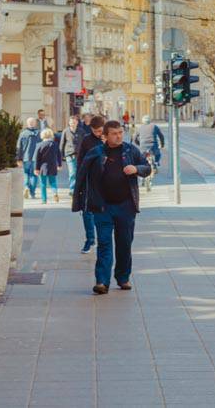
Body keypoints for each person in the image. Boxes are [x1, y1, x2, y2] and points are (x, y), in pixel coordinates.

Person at [73, 119, 152, 294]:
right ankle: (102, 281)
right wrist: (80, 200)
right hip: (102, 207)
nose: (118, 137)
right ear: (105, 135)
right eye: (114, 134)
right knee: (104, 244)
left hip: (126, 206)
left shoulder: (130, 150)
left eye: (120, 133)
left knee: (124, 244)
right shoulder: (96, 153)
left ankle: (123, 278)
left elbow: (147, 168)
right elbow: (81, 175)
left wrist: (136, 169)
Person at [72, 112, 106, 253]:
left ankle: (103, 240)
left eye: (100, 131)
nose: (98, 134)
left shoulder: (110, 137)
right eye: (95, 131)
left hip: (106, 182)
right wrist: (78, 181)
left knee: (104, 213)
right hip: (89, 181)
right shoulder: (87, 140)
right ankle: (90, 240)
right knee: (87, 212)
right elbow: (80, 160)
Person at [33, 128, 62, 203]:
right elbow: (59, 155)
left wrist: (36, 168)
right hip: (53, 166)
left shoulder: (39, 145)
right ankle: (55, 193)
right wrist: (59, 165)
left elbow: (37, 158)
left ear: (42, 135)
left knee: (43, 184)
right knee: (53, 182)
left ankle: (44, 200)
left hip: (43, 167)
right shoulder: (55, 144)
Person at [15, 117, 40, 199]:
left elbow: (19, 147)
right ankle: (32, 193)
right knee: (34, 175)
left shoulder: (23, 133)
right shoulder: (39, 133)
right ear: (35, 123)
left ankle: (26, 187)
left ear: (27, 124)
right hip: (36, 158)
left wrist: (18, 159)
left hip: (26, 157)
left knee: (26, 174)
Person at [141, 115, 164, 192]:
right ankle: (156, 163)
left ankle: (142, 176)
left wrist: (138, 143)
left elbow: (134, 137)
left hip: (143, 148)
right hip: (153, 147)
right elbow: (161, 136)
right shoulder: (154, 126)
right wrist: (162, 144)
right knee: (158, 154)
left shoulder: (139, 127)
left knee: (142, 161)